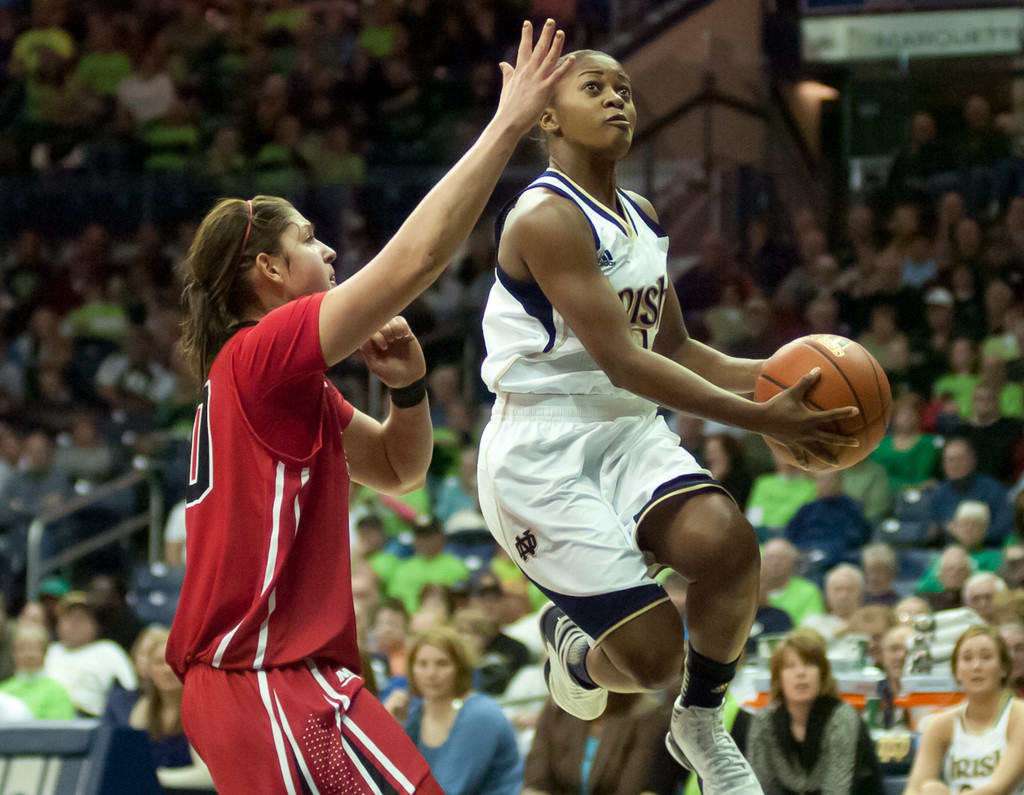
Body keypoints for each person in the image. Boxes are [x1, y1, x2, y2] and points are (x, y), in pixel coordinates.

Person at [163, 20, 575, 794]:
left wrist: (409, 389)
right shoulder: (264, 352)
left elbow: (399, 468)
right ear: (269, 271)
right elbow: (417, 259)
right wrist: (508, 123)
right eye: (312, 241)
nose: (330, 254)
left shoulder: (278, 381)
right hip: (264, 677)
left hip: (280, 682)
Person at [474, 48, 859, 794]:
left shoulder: (641, 216)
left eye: (624, 87)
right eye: (596, 87)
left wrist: (787, 377)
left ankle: (700, 721)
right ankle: (572, 647)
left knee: (728, 542)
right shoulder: (545, 217)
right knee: (652, 658)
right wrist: (757, 416)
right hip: (542, 451)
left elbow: (673, 345)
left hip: (626, 430)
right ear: (547, 117)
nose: (619, 98)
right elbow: (624, 360)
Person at [745, 628, 884, 794]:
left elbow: (837, 789)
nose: (800, 673)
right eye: (790, 666)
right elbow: (761, 788)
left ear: (822, 674)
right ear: (778, 678)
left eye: (809, 664)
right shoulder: (764, 721)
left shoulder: (842, 717)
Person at [389, 627, 523, 795]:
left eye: (442, 663)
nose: (431, 674)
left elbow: (448, 790)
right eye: (422, 664)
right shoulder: (415, 714)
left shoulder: (480, 714)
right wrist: (392, 727)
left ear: (460, 667)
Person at [903, 625, 1024, 795]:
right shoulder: (940, 725)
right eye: (967, 658)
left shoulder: (1019, 716)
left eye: (986, 657)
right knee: (929, 788)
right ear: (956, 672)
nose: (976, 666)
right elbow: (913, 789)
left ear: (1003, 668)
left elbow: (997, 789)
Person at [0, 622, 75, 719]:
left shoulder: (57, 691)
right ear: (14, 654)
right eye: (22, 649)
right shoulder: (3, 691)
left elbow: (60, 731)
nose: (28, 655)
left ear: (45, 652)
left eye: (34, 648)